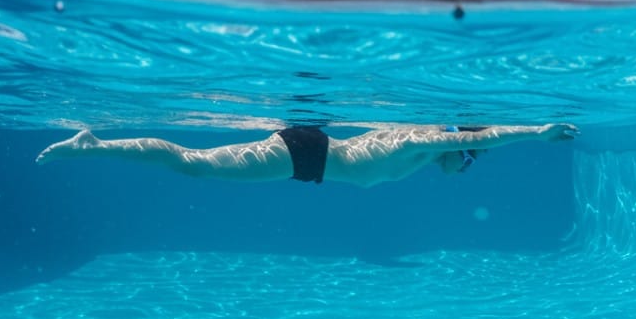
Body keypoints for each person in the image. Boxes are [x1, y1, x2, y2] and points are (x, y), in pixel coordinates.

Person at [36, 123, 579, 188]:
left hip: (311, 156)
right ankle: (94, 146)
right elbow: (482, 138)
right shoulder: (421, 140)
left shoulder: (414, 142)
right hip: (307, 155)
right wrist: (537, 132)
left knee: (193, 163)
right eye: (470, 156)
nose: (465, 165)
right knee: (192, 163)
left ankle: (96, 147)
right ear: (460, 142)